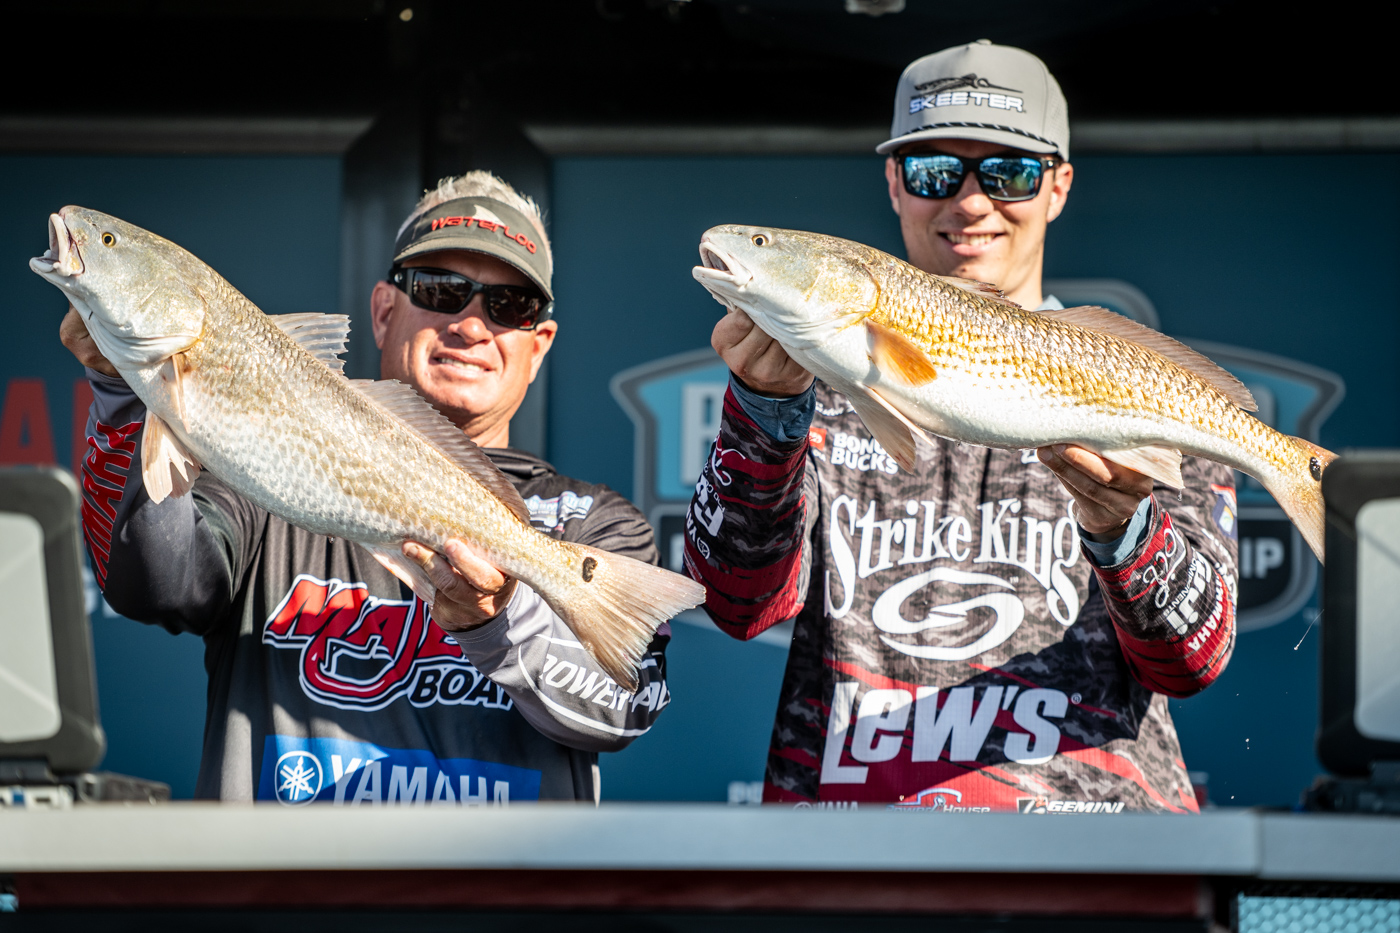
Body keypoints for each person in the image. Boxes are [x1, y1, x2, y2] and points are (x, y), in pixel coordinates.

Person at [685, 41, 1238, 812]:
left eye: (1008, 172)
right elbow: (737, 603)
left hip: (1094, 857)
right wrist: (763, 418)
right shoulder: (814, 390)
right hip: (850, 858)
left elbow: (1193, 658)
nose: (970, 202)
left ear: (1059, 185)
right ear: (893, 183)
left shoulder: (1137, 390)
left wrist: (1126, 527)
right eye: (934, 171)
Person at [65, 172, 670, 804]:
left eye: (509, 305)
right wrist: (122, 393)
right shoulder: (258, 473)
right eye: (442, 291)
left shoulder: (597, 524)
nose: (470, 325)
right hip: (290, 893)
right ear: (384, 311)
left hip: (498, 897)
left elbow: (624, 709)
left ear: (539, 343)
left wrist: (500, 623)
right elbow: (151, 583)